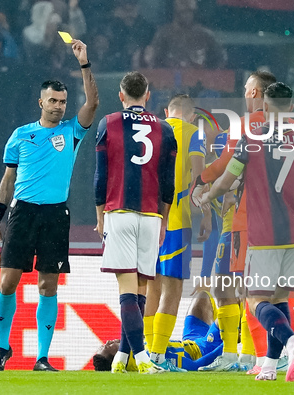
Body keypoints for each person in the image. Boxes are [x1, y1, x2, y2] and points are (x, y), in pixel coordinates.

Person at [200, 82, 294, 382]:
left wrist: (206, 196)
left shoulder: (250, 141)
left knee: (255, 300)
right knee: (280, 298)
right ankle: (269, 365)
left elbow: (226, 180)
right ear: (291, 108)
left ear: (265, 107)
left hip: (264, 234)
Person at [0, 39, 98, 372]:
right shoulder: (20, 135)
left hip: (55, 215)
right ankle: (3, 348)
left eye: (63, 101)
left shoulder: (73, 132)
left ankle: (42, 358)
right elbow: (8, 179)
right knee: (8, 281)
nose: (59, 106)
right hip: (22, 213)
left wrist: (84, 64)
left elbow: (93, 101)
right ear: (41, 102)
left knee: (48, 285)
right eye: (53, 100)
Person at [94, 71, 177, 374]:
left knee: (128, 289)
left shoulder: (110, 122)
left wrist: (100, 216)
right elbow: (168, 183)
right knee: (140, 289)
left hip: (120, 212)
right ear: (148, 95)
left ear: (121, 96)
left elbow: (101, 175)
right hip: (152, 216)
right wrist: (164, 220)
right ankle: (123, 358)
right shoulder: (166, 130)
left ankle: (140, 358)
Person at [143, 94, 211, 372]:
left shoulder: (152, 128)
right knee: (173, 288)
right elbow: (200, 175)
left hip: (147, 219)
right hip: (176, 220)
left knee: (151, 286)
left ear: (166, 111)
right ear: (192, 115)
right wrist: (205, 212)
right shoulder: (194, 133)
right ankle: (158, 355)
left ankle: (146, 353)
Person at [92, 291, 224, 372]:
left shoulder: (137, 351)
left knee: (202, 296)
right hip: (203, 349)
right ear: (117, 359)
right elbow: (197, 366)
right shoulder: (151, 360)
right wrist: (226, 347)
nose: (109, 341)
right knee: (227, 312)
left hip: (190, 339)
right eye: (108, 346)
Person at [144, 0, 226, 69]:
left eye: (190, 12)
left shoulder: (205, 34)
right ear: (176, 12)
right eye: (183, 12)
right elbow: (153, 60)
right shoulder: (164, 33)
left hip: (200, 83)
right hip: (169, 82)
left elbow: (221, 59)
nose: (187, 15)